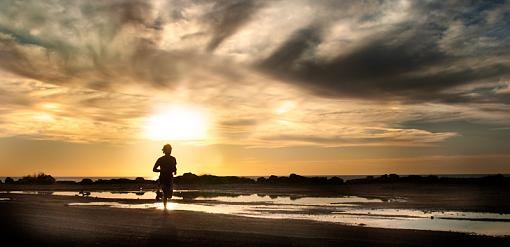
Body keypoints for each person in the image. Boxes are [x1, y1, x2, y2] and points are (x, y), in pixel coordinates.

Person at [153, 144, 177, 209]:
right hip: (163, 178)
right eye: (168, 150)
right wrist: (161, 170)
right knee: (166, 194)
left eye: (170, 149)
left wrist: (174, 171)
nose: (170, 151)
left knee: (169, 195)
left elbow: (174, 168)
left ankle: (159, 194)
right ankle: (165, 208)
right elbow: (154, 169)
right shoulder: (160, 159)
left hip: (170, 178)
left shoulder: (173, 159)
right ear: (164, 151)